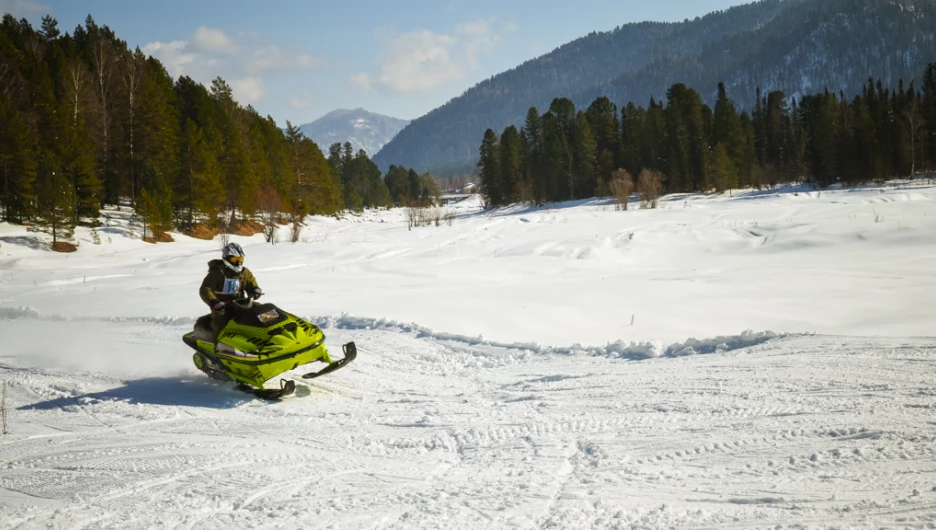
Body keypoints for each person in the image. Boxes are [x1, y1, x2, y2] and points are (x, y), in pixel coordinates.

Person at [198, 242, 263, 340]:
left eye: (240, 259)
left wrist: (255, 290)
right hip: (222, 306)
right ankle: (218, 344)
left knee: (262, 310)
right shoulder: (216, 274)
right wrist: (213, 301)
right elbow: (205, 289)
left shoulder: (245, 272)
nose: (238, 263)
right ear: (226, 259)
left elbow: (251, 284)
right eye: (235, 259)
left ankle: (265, 336)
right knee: (221, 321)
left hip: (241, 303)